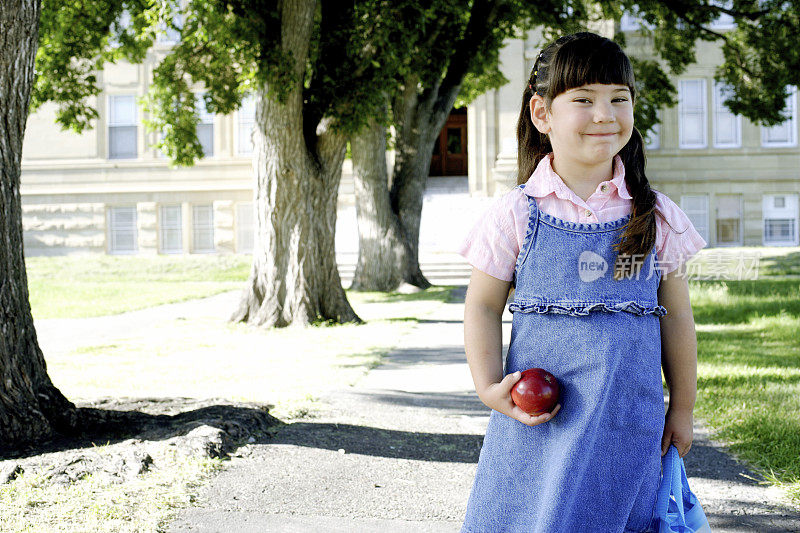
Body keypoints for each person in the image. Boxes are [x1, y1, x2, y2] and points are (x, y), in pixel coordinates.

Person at [458, 31, 708, 533]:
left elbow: (677, 315)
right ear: (542, 113)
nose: (604, 114)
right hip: (540, 425)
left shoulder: (655, 214)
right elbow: (482, 307)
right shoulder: (515, 215)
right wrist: (489, 387)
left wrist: (682, 409)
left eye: (620, 98)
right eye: (584, 99)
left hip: (626, 426)